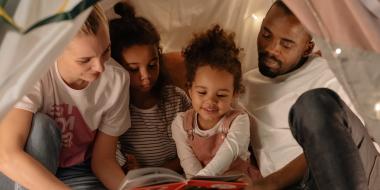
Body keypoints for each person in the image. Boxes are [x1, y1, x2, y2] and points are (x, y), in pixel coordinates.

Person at [239, 1, 380, 189]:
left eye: (286, 44)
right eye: (266, 34)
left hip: (360, 172)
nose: (271, 48)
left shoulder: (331, 73)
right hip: (301, 185)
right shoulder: (243, 86)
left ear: (307, 48)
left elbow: (348, 141)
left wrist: (272, 182)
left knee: (312, 105)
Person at [0, 4, 131, 190]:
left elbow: (103, 161)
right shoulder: (33, 72)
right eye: (85, 60)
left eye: (106, 51)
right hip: (21, 168)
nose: (100, 67)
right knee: (41, 127)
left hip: (76, 172)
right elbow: (7, 155)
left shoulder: (117, 80)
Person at [109, 2, 191, 173]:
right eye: (133, 69)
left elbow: (196, 145)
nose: (145, 75)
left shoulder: (177, 98)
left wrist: (161, 171)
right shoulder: (116, 110)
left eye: (152, 65)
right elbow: (112, 156)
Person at [171, 25, 261, 180]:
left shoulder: (238, 121)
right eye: (202, 92)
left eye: (221, 94)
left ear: (234, 94)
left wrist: (201, 182)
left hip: (237, 182)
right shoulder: (180, 124)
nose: (211, 101)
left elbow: (228, 154)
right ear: (190, 90)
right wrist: (197, 185)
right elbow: (189, 164)